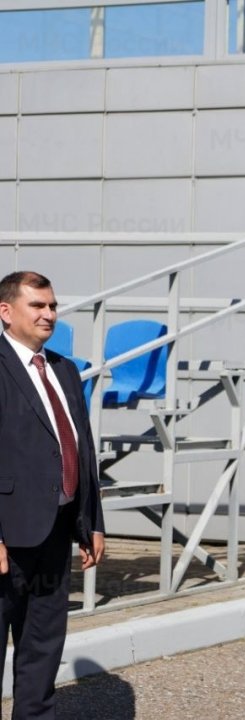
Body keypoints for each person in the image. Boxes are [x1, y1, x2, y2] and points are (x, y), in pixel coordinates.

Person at [0, 270, 106, 718]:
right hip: (7, 539)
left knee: (42, 651)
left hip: (55, 533)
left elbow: (82, 447)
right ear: (6, 312)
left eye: (53, 306)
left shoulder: (64, 369)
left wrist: (91, 520)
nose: (49, 314)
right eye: (37, 306)